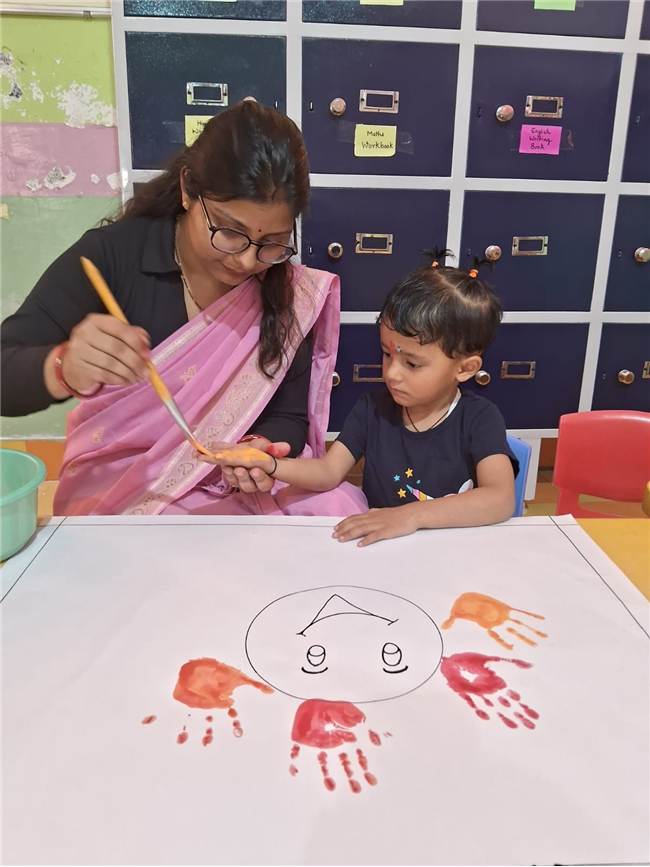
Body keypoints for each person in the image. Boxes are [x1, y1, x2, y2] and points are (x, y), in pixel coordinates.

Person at [0, 100, 366, 518]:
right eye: (229, 231)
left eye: (273, 243)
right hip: (135, 488)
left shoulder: (289, 290)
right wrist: (62, 367)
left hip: (233, 481)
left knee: (338, 506)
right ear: (189, 190)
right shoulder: (113, 256)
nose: (248, 261)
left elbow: (290, 416)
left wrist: (259, 448)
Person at [201, 250, 518, 546]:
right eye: (387, 354)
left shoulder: (479, 418)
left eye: (412, 364)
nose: (392, 374)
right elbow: (328, 473)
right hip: (381, 549)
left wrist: (410, 516)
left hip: (449, 550)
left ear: (465, 369)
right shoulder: (372, 409)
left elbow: (500, 499)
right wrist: (269, 463)